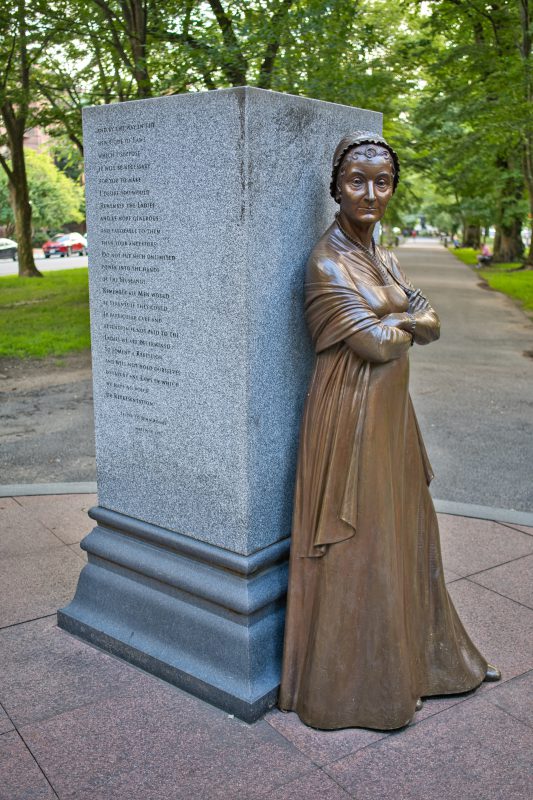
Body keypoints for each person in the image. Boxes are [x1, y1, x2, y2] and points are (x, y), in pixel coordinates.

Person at [278, 132, 500, 731]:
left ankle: (421, 661)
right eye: (357, 181)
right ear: (336, 189)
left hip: (392, 416)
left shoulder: (385, 256)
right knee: (362, 539)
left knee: (406, 527)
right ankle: (356, 685)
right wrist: (405, 317)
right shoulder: (326, 261)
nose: (371, 193)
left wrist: (401, 318)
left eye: (382, 182)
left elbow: (431, 322)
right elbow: (378, 344)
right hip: (348, 415)